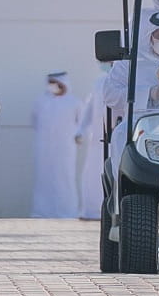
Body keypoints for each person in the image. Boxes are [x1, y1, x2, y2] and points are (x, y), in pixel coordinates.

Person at [31, 71, 82, 219]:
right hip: (44, 147)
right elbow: (34, 121)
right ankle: (41, 211)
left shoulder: (74, 102)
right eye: (50, 83)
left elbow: (82, 124)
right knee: (43, 178)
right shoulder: (41, 101)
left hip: (66, 148)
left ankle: (67, 212)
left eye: (56, 83)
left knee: (64, 178)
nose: (52, 86)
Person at [72, 79, 109, 220]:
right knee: (91, 176)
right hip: (97, 141)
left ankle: (109, 211)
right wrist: (80, 131)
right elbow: (89, 109)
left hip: (117, 139)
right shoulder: (99, 83)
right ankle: (92, 211)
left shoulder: (126, 78)